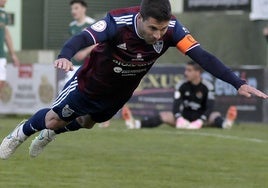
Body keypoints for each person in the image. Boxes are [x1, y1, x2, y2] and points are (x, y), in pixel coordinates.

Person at [0, 0, 267, 160]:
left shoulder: (174, 30)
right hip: (88, 84)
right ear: (140, 19)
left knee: (88, 123)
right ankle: (21, 133)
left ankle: (51, 134)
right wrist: (65, 55)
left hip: (119, 93)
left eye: (162, 29)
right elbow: (83, 38)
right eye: (153, 28)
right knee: (53, 117)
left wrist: (237, 83)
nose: (159, 35)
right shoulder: (118, 22)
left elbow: (203, 56)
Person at [122, 61, 238, 130]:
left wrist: (200, 121)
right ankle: (135, 124)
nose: (185, 73)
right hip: (184, 117)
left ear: (197, 72)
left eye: (189, 70)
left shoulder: (208, 86)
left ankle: (225, 124)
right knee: (165, 115)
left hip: (202, 118)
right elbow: (176, 105)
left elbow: (209, 107)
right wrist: (179, 118)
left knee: (215, 115)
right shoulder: (181, 85)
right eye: (186, 70)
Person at [0, 0, 20, 100]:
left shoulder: (3, 13)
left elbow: (6, 34)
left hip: (1, 54)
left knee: (1, 82)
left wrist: (13, 54)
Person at [69, 0, 95, 65]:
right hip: (74, 64)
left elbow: (99, 43)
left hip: (90, 64)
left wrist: (85, 52)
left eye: (76, 8)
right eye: (72, 9)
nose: (73, 11)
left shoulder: (92, 23)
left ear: (84, 9)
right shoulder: (72, 26)